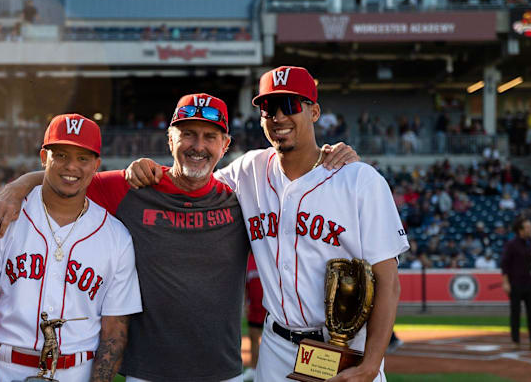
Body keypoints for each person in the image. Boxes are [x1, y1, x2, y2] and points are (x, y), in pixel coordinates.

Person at [0, 94, 358, 381]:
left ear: (224, 146)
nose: (198, 145)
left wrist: (334, 156)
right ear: (169, 139)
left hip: (222, 371)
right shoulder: (132, 185)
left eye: (210, 137)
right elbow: (64, 177)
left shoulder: (240, 195)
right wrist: (16, 188)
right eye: (188, 134)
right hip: (147, 371)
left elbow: (295, 183)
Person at [126, 66, 407, 381]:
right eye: (268, 108)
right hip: (277, 349)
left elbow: (389, 282)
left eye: (290, 105)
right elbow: (193, 180)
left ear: (314, 112)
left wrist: (371, 364)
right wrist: (150, 168)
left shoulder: (360, 180)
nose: (278, 117)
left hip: (344, 347)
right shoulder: (248, 170)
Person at [0, 114, 142, 382]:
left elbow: (114, 332)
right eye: (61, 155)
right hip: (6, 369)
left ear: (96, 165)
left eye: (83, 158)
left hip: (78, 372)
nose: (71, 166)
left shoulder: (117, 236)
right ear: (44, 157)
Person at [501, 217, 531, 351]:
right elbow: (504, 264)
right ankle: (515, 341)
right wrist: (505, 282)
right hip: (516, 284)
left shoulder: (530, 244)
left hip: (529, 283)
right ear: (521, 230)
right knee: (515, 313)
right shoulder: (511, 245)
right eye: (528, 227)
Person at [244, 252, 266, 381]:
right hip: (254, 306)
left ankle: (266, 366)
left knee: (271, 338)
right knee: (253, 336)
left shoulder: (268, 256)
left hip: (269, 307)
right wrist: (246, 302)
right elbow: (245, 285)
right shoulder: (249, 260)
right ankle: (253, 368)